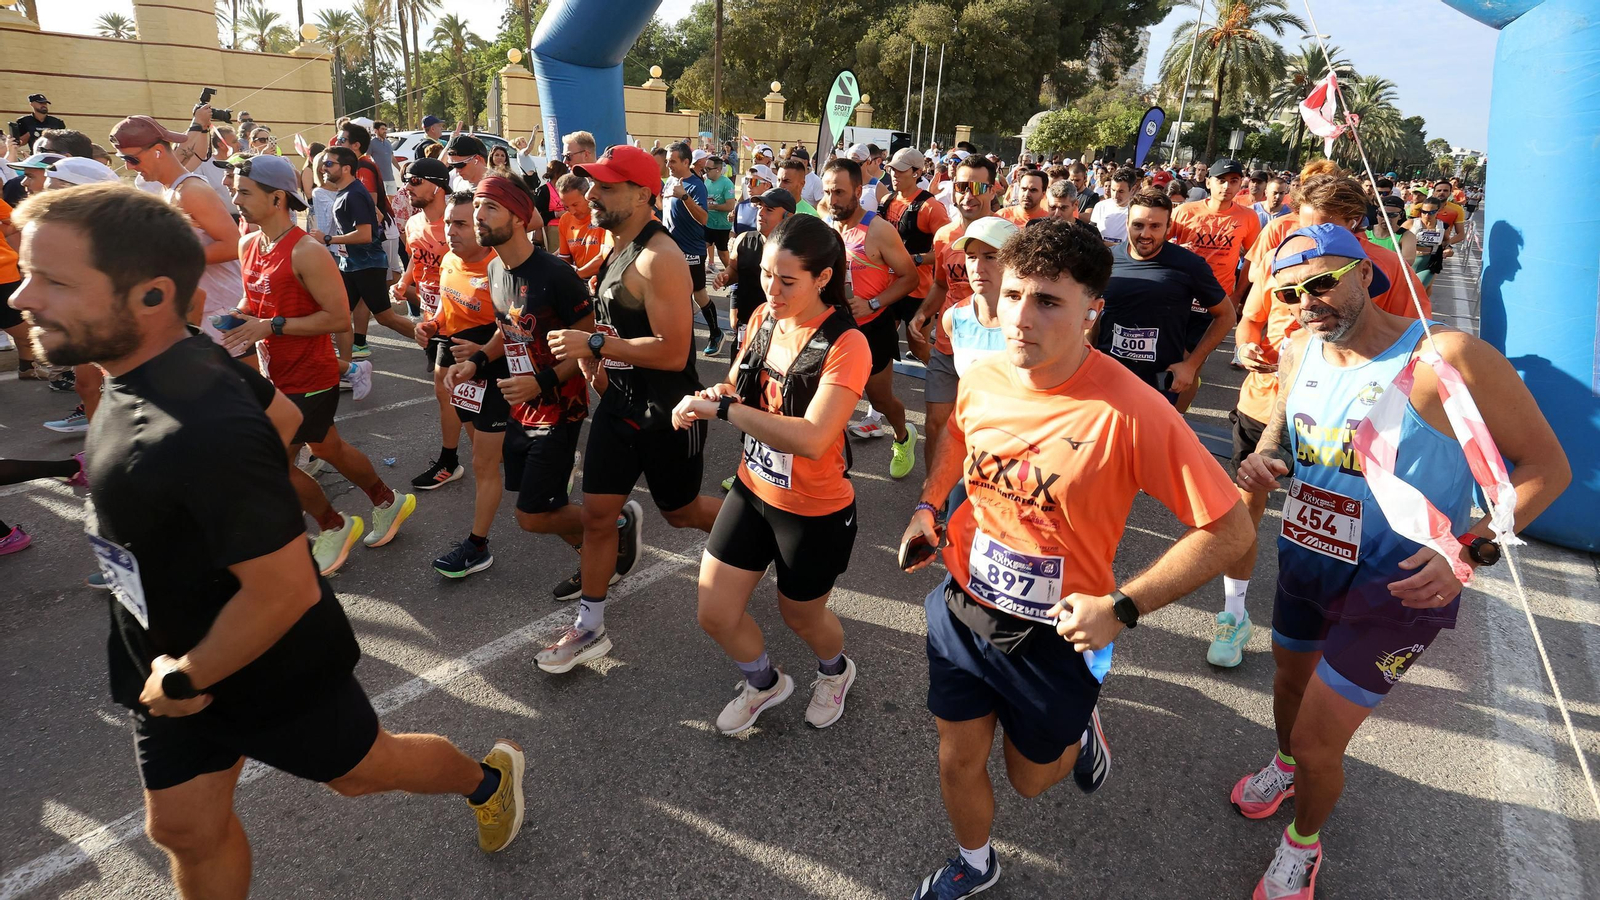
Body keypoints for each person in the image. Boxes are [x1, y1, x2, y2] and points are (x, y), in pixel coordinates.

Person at [13, 185, 525, 897]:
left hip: (254, 665)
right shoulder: (166, 360)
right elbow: (281, 412)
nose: (22, 298)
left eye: (55, 281)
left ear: (153, 297)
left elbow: (282, 588)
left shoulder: (202, 429)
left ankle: (486, 779)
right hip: (168, 656)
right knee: (184, 830)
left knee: (363, 772)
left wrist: (188, 672)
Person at [900, 218, 1252, 899]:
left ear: (1093, 311)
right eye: (1013, 296)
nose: (1021, 318)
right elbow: (959, 440)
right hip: (966, 602)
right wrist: (929, 506)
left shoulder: (1131, 411)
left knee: (1032, 779)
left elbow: (1230, 532)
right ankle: (976, 863)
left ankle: (1083, 726)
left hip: (1059, 630)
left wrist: (1120, 608)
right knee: (956, 758)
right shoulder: (986, 376)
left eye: (1048, 302)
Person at [1232, 223, 1569, 900]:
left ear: (1365, 271)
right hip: (1308, 558)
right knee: (1289, 693)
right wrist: (1266, 459)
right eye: (1291, 291)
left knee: (1324, 739)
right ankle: (1284, 761)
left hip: (1401, 587)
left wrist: (1466, 550)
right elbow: (1283, 434)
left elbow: (1546, 470)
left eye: (1322, 282)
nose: (1307, 302)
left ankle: (1302, 846)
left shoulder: (1447, 355)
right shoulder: (1300, 348)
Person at [1215, 171, 1433, 668]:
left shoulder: (1385, 266)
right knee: (1242, 514)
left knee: (1342, 527)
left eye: (1325, 226)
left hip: (1350, 424)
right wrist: (1248, 344)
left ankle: (1342, 633)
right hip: (1264, 402)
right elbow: (1251, 314)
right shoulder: (1281, 244)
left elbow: (1414, 339)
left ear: (1353, 228)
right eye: (1302, 220)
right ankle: (1234, 614)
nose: (1307, 236)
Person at [671, 213, 870, 734]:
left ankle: (835, 671)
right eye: (765, 274)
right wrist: (712, 396)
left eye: (787, 281)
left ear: (823, 277)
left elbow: (812, 438)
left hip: (813, 508)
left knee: (800, 616)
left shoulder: (847, 344)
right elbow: (737, 383)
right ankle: (764, 683)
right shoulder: (763, 317)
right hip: (754, 487)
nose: (771, 289)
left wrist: (724, 412)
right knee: (714, 611)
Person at [543, 145, 721, 672]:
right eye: (593, 184)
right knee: (598, 517)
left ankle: (766, 529)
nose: (593, 194)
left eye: (606, 186)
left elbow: (671, 351)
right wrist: (595, 360)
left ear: (643, 194)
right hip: (620, 407)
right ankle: (590, 626)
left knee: (682, 512)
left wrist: (595, 347)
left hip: (668, 412)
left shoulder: (659, 257)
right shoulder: (614, 243)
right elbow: (618, 327)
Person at [445, 173, 642, 596]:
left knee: (531, 514)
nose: (478, 216)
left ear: (518, 217)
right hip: (523, 405)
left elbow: (589, 344)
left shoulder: (556, 274)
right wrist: (477, 362)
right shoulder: (496, 268)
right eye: (476, 206)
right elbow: (508, 330)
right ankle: (599, 554)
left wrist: (541, 382)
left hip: (559, 407)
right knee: (544, 508)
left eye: (489, 207)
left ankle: (616, 523)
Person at [223, 156, 418, 577]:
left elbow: (336, 319)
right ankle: (388, 501)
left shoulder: (308, 251)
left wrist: (269, 325)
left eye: (243, 191)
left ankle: (334, 525)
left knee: (271, 467)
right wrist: (239, 318)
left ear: (277, 198)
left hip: (310, 378)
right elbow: (255, 303)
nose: (234, 198)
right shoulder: (248, 243)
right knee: (328, 448)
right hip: (274, 375)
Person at [415, 191, 509, 578]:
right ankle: (525, 450)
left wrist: (484, 351)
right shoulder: (451, 259)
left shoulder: (500, 268)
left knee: (486, 463)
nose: (449, 232)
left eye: (460, 224)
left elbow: (517, 328)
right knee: (479, 445)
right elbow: (445, 307)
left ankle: (477, 546)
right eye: (448, 223)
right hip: (454, 357)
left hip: (490, 365)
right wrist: (432, 325)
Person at [820, 158, 922, 479]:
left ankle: (904, 436)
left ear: (858, 191)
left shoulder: (879, 230)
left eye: (839, 192)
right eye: (828, 192)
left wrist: (873, 302)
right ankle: (821, 460)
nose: (833, 200)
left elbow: (910, 277)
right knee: (825, 396)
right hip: (834, 328)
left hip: (871, 328)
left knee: (879, 398)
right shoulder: (826, 224)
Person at [110, 116, 244, 353]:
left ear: (159, 151)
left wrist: (169, 261)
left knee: (240, 385)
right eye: (125, 160)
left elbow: (234, 245)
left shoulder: (191, 191)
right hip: (200, 308)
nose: (129, 166)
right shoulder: (168, 189)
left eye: (132, 158)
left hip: (222, 310)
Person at [1095, 190, 1234, 408]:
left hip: (1159, 382)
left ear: (1169, 227)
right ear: (1127, 223)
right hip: (1108, 375)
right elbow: (1092, 314)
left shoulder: (1189, 265)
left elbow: (1226, 315)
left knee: (1151, 442)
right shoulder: (1106, 261)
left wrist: (1191, 365)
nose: (1145, 234)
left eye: (1155, 226)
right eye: (1138, 225)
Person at [912, 156, 1003, 472]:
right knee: (936, 424)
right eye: (962, 186)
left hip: (996, 351)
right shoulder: (944, 237)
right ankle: (931, 497)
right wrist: (922, 315)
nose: (969, 194)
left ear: (992, 190)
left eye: (979, 187)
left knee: (987, 433)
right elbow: (940, 284)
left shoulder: (1011, 234)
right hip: (949, 345)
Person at [391, 158, 462, 489]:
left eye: (415, 180)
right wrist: (405, 283)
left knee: (446, 389)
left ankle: (451, 461)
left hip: (461, 319)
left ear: (438, 185)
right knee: (453, 392)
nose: (408, 187)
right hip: (431, 317)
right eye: (406, 180)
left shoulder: (457, 225)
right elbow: (416, 260)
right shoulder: (414, 224)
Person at [310, 146, 414, 368]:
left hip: (367, 265)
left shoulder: (354, 194)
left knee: (386, 318)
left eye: (329, 164)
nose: (323, 168)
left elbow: (365, 235)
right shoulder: (349, 191)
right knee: (340, 317)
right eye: (323, 164)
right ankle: (347, 369)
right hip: (351, 265)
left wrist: (328, 239)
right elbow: (376, 214)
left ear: (346, 168)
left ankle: (436, 342)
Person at [881, 146, 951, 365]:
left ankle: (948, 383)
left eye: (900, 170)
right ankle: (881, 397)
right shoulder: (886, 200)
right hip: (889, 286)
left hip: (918, 290)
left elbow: (947, 248)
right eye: (892, 169)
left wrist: (918, 259)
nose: (894, 174)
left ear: (916, 172)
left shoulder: (930, 206)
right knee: (881, 344)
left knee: (918, 347)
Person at [663, 141, 726, 355]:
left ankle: (716, 332)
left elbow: (704, 218)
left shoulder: (695, 184)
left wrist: (684, 197)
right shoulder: (670, 181)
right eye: (667, 161)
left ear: (686, 162)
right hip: (670, 250)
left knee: (699, 294)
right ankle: (679, 338)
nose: (668, 165)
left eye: (673, 161)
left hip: (691, 250)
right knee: (675, 295)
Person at [554, 173, 606, 280]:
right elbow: (565, 257)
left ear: (588, 196)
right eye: (566, 206)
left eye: (575, 205)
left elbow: (606, 257)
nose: (572, 211)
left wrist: (576, 274)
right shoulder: (565, 220)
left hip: (602, 279)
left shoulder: (604, 216)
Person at [1406, 197, 1453, 288]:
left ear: (1438, 211)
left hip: (1429, 262)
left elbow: (1446, 240)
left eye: (1431, 212)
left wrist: (1448, 249)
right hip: (1410, 260)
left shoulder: (1442, 226)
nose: (1427, 215)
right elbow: (1396, 238)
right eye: (1424, 212)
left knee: (1418, 289)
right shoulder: (1411, 223)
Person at [703, 156, 737, 273]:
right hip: (708, 224)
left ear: (717, 169)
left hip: (722, 226)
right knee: (701, 249)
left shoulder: (727, 184)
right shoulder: (706, 181)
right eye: (705, 168)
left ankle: (732, 276)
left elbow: (730, 206)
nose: (705, 171)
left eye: (708, 169)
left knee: (723, 254)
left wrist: (713, 207)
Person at [1089, 168, 1135, 244]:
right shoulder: (1100, 206)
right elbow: (1091, 232)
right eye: (1113, 190)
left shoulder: (1136, 211)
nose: (1115, 195)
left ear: (1132, 190)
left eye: (1121, 191)